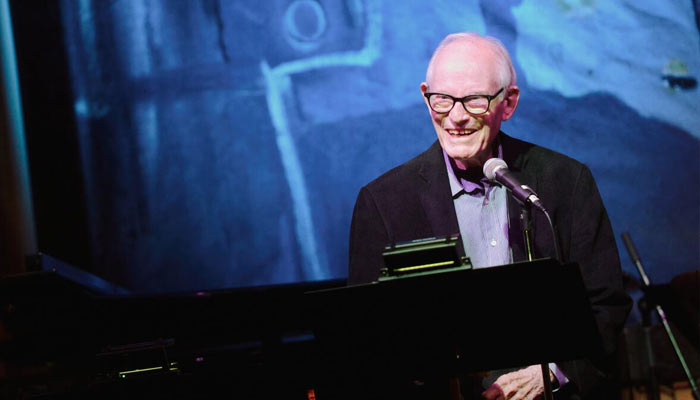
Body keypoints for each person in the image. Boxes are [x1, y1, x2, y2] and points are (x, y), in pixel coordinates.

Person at [348, 32, 632, 399]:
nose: (457, 117)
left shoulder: (565, 182)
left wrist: (553, 374)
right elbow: (365, 339)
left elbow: (606, 305)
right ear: (425, 96)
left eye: (475, 100)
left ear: (508, 102)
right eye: (442, 99)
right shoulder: (383, 202)